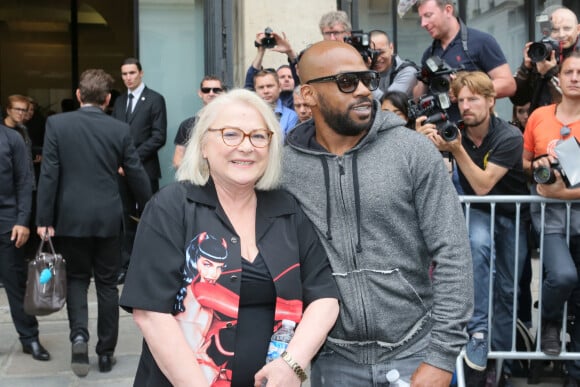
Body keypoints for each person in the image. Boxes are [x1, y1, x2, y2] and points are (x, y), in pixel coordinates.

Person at [282, 40, 473, 386]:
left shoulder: (412, 151)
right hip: (332, 358)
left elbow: (453, 253)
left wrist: (442, 356)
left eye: (367, 80)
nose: (363, 91)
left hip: (415, 351)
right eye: (346, 82)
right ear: (308, 95)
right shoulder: (284, 165)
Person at [119, 88, 339, 387]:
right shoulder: (171, 207)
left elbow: (324, 296)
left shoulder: (286, 210)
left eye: (258, 136)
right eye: (231, 134)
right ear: (204, 145)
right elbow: (151, 314)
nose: (246, 147)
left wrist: (293, 365)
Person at [36, 69, 152, 377]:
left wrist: (44, 219)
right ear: (108, 99)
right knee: (107, 285)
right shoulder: (119, 129)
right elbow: (136, 171)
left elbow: (49, 174)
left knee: (75, 279)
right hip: (107, 217)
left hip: (70, 218)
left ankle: (78, 336)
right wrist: (151, 206)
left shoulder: (57, 124)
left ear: (78, 95)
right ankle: (105, 352)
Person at [426, 71, 529, 383]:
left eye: (473, 99)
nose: (466, 105)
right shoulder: (453, 131)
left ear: (490, 100)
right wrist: (426, 144)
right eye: (461, 100)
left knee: (509, 287)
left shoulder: (509, 136)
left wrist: (455, 150)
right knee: (479, 247)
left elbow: (483, 185)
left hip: (512, 213)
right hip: (478, 213)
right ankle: (479, 334)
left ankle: (504, 359)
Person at [522, 51, 580, 386]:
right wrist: (541, 166)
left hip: (571, 208)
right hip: (551, 219)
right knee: (562, 275)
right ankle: (548, 322)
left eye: (579, 72)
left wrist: (560, 193)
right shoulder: (540, 116)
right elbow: (525, 163)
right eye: (569, 71)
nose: (575, 77)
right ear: (559, 77)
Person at [111, 57, 167, 284]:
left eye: (132, 73)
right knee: (125, 217)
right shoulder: (119, 101)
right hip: (121, 171)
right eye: (124, 74)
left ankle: (150, 266)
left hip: (144, 169)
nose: (128, 78)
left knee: (148, 217)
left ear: (141, 73)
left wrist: (130, 160)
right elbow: (114, 133)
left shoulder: (155, 99)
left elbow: (158, 136)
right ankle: (126, 266)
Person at [415, 0, 515, 122]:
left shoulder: (481, 42)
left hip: (474, 132)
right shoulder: (429, 53)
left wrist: (463, 90)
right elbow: (418, 99)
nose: (423, 23)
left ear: (448, 10)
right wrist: (423, 78)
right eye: (421, 18)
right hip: (439, 133)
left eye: (428, 15)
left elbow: (508, 85)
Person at [0, 121, 50, 362]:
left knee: (16, 284)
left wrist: (22, 220)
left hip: (7, 223)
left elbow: (24, 181)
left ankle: (30, 338)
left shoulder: (11, 139)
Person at [511, 7, 580, 115]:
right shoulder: (541, 51)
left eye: (567, 28)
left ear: (578, 29)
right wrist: (525, 69)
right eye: (555, 30)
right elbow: (518, 99)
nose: (561, 35)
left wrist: (550, 73)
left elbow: (573, 100)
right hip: (541, 121)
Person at [173, 75, 224, 169]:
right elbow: (178, 159)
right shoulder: (187, 125)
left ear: (223, 93)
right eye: (206, 90)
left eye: (216, 90)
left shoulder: (232, 123)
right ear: (200, 93)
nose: (211, 93)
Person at [244, 30, 300, 110]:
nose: (266, 91)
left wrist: (290, 52)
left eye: (290, 77)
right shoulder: (254, 110)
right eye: (282, 77)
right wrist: (260, 51)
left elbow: (300, 76)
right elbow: (249, 87)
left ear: (279, 86)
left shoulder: (295, 105)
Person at [370, 30, 417, 99]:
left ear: (391, 48)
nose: (377, 59)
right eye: (372, 54)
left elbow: (387, 103)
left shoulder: (408, 71)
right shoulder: (369, 70)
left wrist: (364, 77)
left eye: (381, 52)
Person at [253, 70, 299, 136]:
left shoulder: (291, 117)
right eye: (261, 87)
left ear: (279, 87)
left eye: (269, 86)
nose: (265, 91)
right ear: (255, 90)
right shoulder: (249, 115)